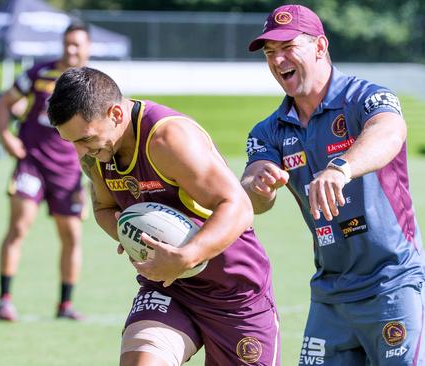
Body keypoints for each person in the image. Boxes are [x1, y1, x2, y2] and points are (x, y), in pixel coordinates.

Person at [241, 4, 425, 365]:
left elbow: (389, 131)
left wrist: (340, 168)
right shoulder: (268, 130)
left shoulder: (366, 97)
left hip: (393, 283)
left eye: (288, 47)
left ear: (320, 46)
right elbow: (254, 187)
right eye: (270, 53)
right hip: (330, 293)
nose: (278, 59)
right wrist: (259, 186)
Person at [47, 67, 280, 366]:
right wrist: (128, 234)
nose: (80, 151)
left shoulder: (169, 139)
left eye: (85, 139)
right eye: (72, 142)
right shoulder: (95, 154)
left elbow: (238, 207)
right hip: (168, 287)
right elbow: (104, 209)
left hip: (233, 292)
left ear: (116, 114)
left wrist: (187, 256)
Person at [0, 22, 91, 321]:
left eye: (77, 44)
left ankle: (65, 305)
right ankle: (4, 300)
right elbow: (2, 104)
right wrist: (6, 136)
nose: (71, 49)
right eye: (67, 43)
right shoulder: (38, 74)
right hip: (31, 162)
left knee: (71, 235)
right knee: (19, 227)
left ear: (88, 48)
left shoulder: (93, 84)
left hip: (68, 170)